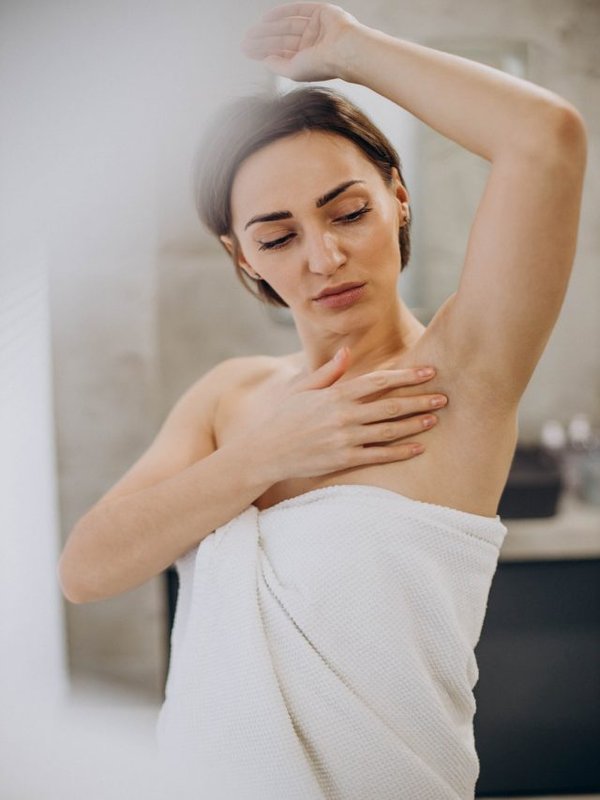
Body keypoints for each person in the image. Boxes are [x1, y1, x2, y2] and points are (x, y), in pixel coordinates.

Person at [58, 3, 587, 797]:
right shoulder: (230, 396)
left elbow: (546, 140)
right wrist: (270, 451)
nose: (325, 256)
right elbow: (88, 568)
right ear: (242, 256)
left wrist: (353, 51)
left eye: (348, 211)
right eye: (278, 236)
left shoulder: (459, 378)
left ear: (398, 197)